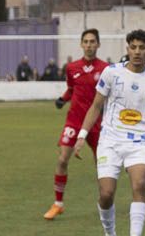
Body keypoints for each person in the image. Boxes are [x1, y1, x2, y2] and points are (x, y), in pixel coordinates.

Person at [74, 29, 145, 236]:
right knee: (106, 194)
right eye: (133, 47)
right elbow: (96, 107)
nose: (137, 52)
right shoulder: (111, 73)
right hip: (110, 141)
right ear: (127, 49)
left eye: (142, 48)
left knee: (139, 184)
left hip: (139, 143)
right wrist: (82, 135)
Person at [45, 29, 109, 221]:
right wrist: (63, 99)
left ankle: (103, 203)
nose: (89, 45)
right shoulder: (72, 68)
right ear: (81, 44)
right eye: (86, 42)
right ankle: (58, 204)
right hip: (74, 120)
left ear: (98, 44)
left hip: (97, 122)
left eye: (92, 42)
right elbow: (71, 89)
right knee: (63, 159)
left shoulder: (106, 69)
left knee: (102, 166)